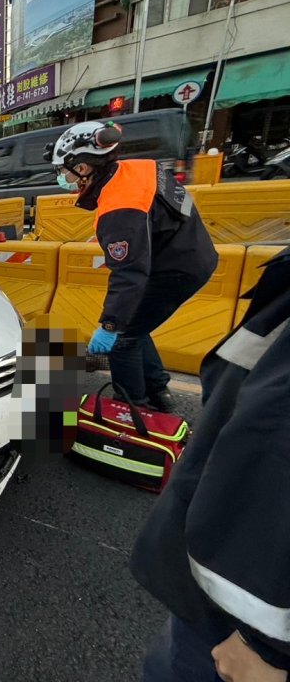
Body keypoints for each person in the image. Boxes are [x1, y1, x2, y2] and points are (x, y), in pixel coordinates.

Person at [131, 246, 290, 682]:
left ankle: (143, 398)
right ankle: (151, 393)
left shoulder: (120, 204)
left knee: (127, 333)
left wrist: (268, 651)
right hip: (228, 610)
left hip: (246, 633)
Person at [50, 121, 218, 412]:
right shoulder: (140, 169)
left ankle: (131, 407)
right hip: (192, 251)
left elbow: (129, 276)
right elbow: (164, 212)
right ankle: (157, 390)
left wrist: (109, 325)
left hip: (173, 270)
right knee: (137, 325)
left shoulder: (119, 209)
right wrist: (134, 245)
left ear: (86, 166)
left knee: (122, 339)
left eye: (67, 168)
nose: (64, 176)